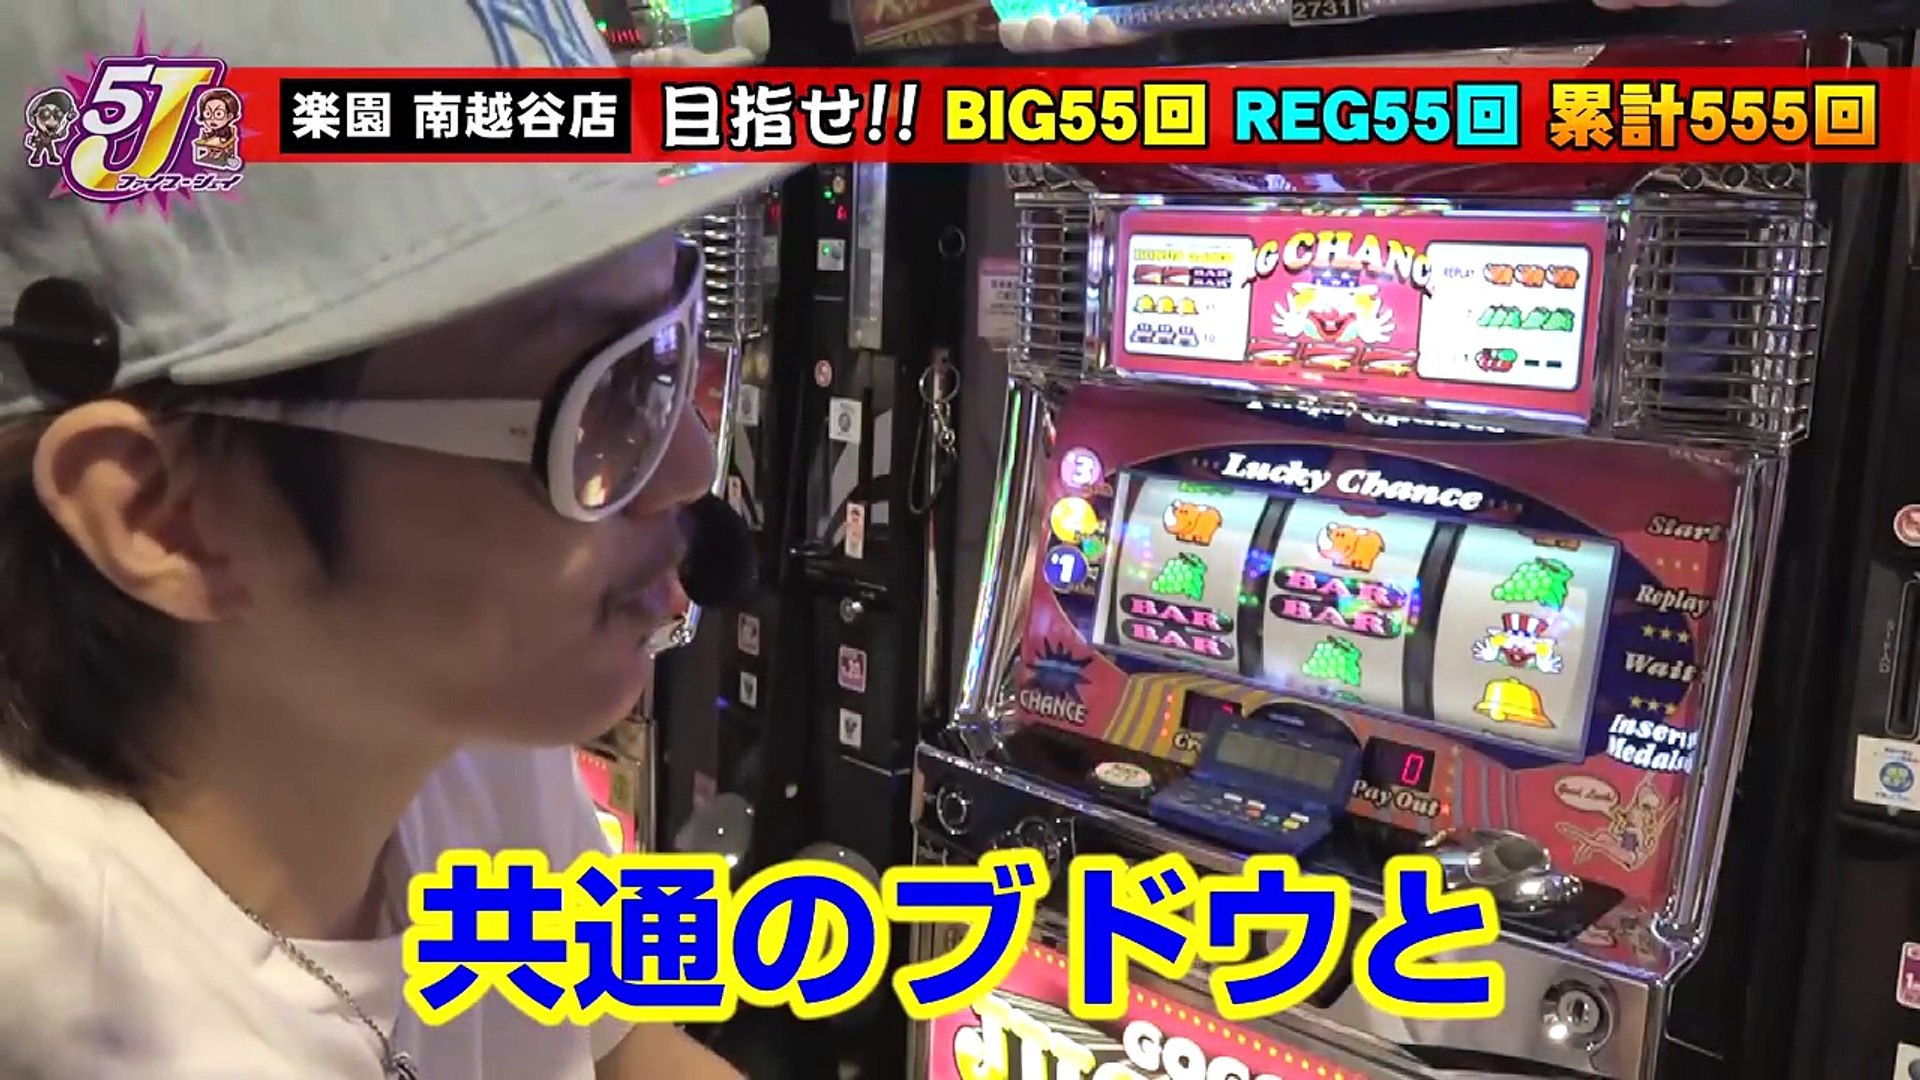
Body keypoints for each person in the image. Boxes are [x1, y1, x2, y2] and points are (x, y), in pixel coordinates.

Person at [0, 1, 790, 1077]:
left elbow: (622, 1050)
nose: (694, 467)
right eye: (603, 393)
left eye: (669, 346)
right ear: (166, 518)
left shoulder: (454, 740)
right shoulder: (96, 1028)